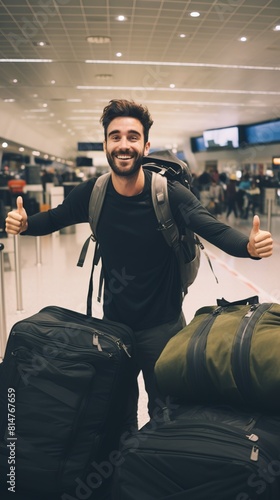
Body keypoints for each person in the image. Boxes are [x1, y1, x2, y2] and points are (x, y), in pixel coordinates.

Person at [5, 99, 273, 427]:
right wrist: (25, 223)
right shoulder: (94, 192)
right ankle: (120, 472)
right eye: (115, 136)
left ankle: (154, 472)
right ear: (105, 143)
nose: (123, 144)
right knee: (116, 412)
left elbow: (211, 227)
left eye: (132, 137)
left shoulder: (169, 194)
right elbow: (55, 218)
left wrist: (249, 246)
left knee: (165, 415)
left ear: (145, 145)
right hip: (114, 327)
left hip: (163, 328)